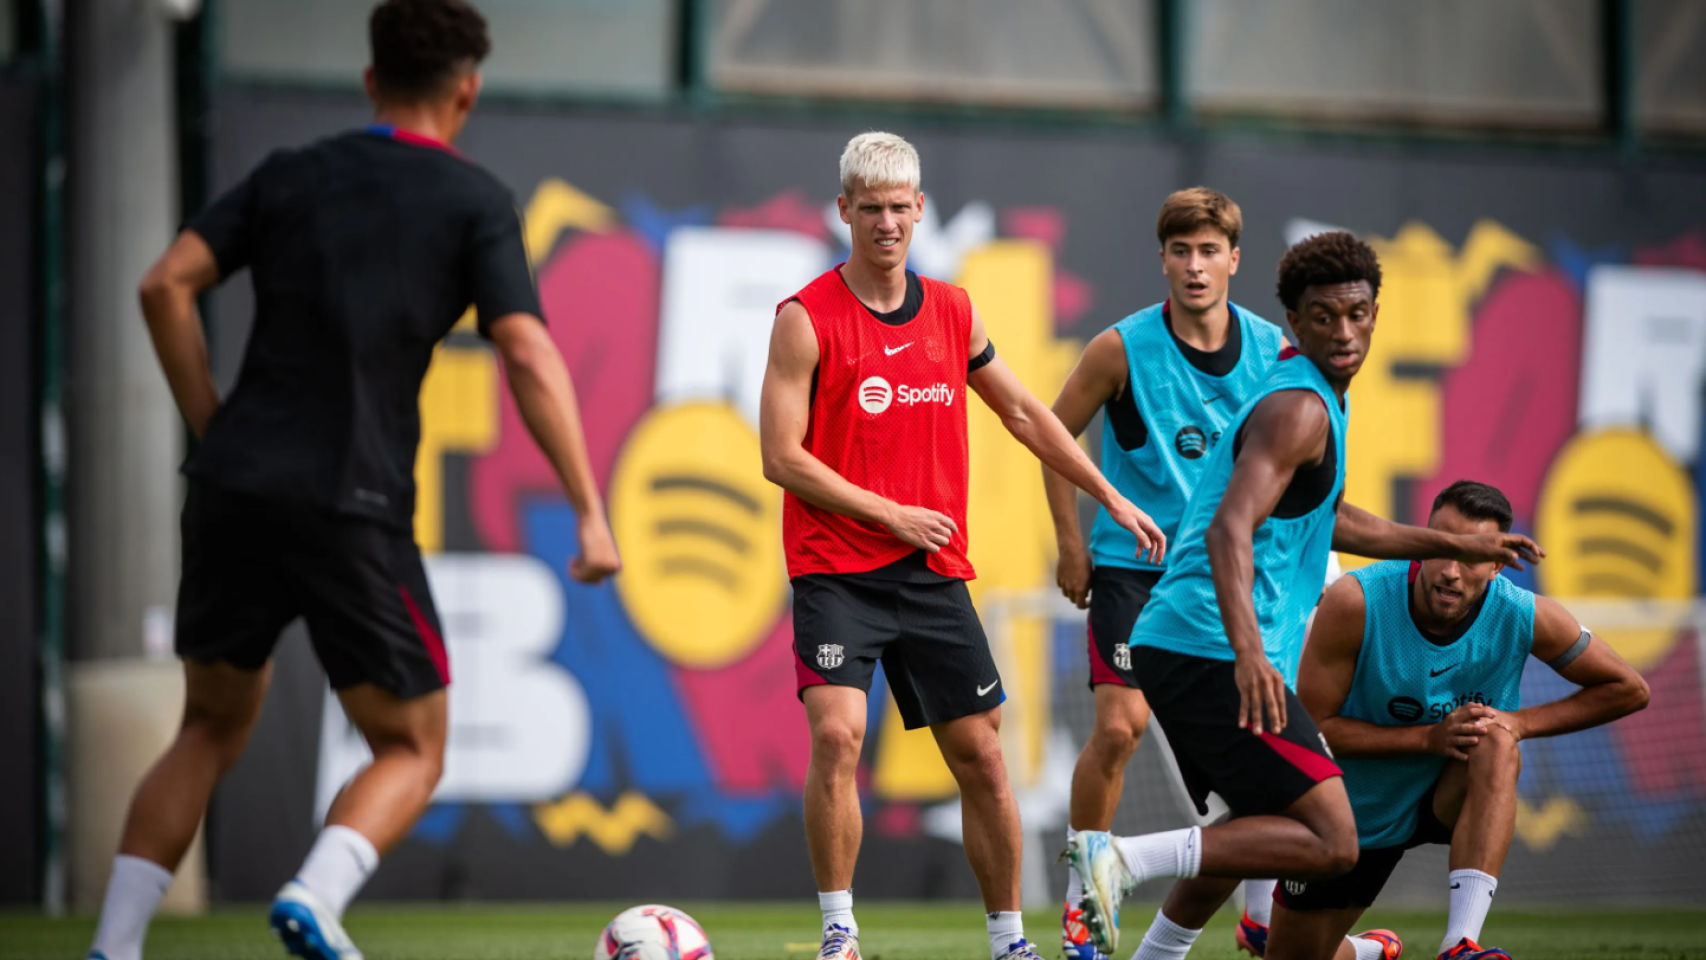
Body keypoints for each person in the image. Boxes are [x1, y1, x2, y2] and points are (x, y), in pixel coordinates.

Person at [85, 3, 620, 959]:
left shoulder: (294, 173)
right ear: (469, 90)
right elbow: (530, 353)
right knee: (413, 746)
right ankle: (314, 896)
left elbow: (162, 284)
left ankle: (113, 947)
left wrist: (215, 426)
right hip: (353, 499)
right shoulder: (475, 200)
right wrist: (589, 510)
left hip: (233, 488)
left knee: (204, 726)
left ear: (372, 81)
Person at [1066, 231, 1543, 960]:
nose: (1343, 332)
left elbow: (1337, 520)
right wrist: (1252, 657)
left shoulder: (1318, 395)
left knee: (1258, 822)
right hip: (1210, 647)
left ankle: (1159, 948)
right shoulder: (1301, 409)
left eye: (1355, 313)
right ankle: (1119, 861)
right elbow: (1231, 529)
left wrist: (1457, 544)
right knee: (1331, 839)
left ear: (1376, 312)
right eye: (1323, 317)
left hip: (1197, 645)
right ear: (1294, 321)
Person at [759, 131, 1167, 960]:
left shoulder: (952, 311)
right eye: (868, 209)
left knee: (982, 756)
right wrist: (890, 514)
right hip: (837, 567)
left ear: (919, 208)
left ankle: (1008, 941)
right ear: (843, 211)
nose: (885, 224)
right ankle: (840, 933)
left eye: (899, 208)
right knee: (837, 735)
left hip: (930, 573)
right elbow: (781, 456)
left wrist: (1110, 494)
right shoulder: (806, 319)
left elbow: (1023, 412)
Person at [1039, 187, 1287, 960]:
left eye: (1209, 250)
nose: (1194, 265)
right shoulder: (1121, 347)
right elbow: (1053, 435)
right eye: (1180, 251)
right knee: (1121, 727)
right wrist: (1072, 543)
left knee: (1255, 747)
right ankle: (1085, 901)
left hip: (1228, 580)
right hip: (1133, 570)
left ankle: (1259, 915)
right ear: (1163, 260)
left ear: (1234, 260)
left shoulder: (1275, 351)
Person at [1264, 480, 1650, 960]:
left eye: (1469, 558)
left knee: (1496, 740)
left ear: (1497, 564)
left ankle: (1460, 944)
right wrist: (1428, 737)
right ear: (1423, 542)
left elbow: (1629, 689)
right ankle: (1369, 953)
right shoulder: (1356, 601)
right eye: (1442, 548)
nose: (1449, 571)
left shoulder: (1521, 614)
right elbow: (1315, 731)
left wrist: (1520, 723)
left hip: (1446, 795)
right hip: (1354, 812)